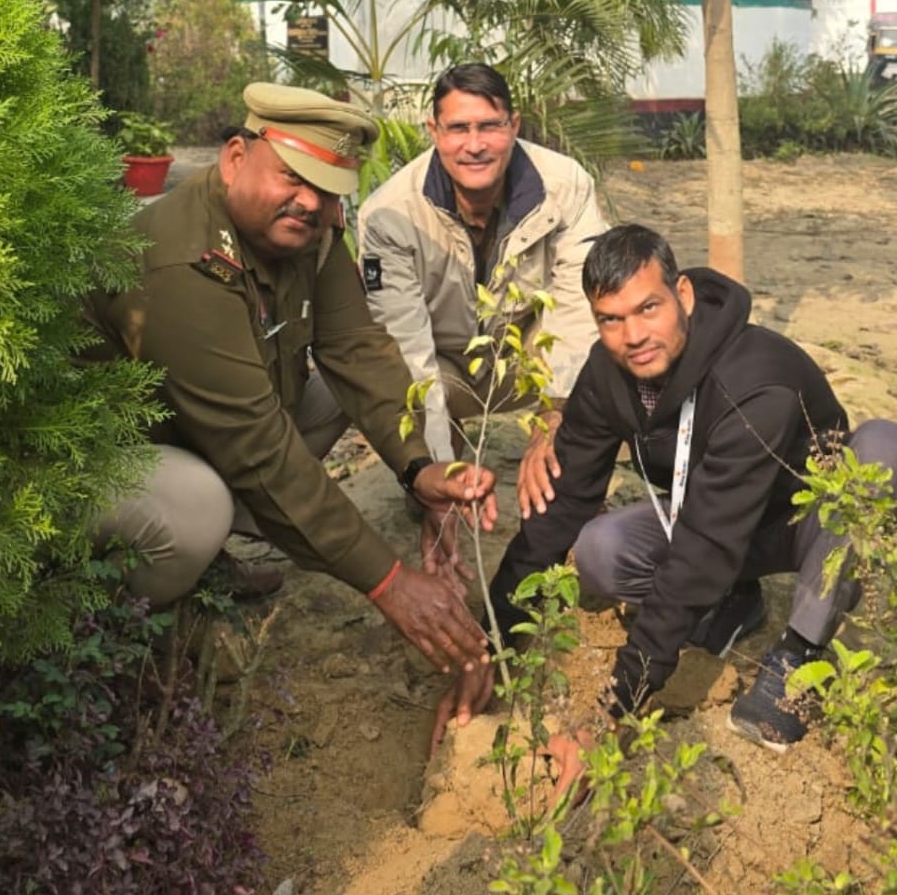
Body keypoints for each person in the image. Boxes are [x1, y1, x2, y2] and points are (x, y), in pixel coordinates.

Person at [432, 223, 897, 775]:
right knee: (599, 548)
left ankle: (799, 653)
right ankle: (735, 600)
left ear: (683, 295)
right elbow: (562, 507)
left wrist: (616, 706)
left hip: (801, 526)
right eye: (612, 319)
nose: (633, 335)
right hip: (711, 520)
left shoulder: (754, 382)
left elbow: (703, 548)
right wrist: (490, 644)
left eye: (648, 308)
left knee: (880, 450)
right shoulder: (610, 374)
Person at [83, 82, 497, 676]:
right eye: (293, 178)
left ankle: (208, 562)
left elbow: (357, 350)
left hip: (194, 432)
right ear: (234, 158)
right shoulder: (180, 262)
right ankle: (128, 618)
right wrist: (389, 582)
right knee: (196, 510)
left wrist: (419, 469)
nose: (311, 202)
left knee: (335, 391)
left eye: (329, 190)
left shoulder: (308, 235)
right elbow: (258, 450)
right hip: (91, 469)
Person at [357, 63, 607, 483]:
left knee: (617, 331)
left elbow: (579, 310)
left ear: (513, 126)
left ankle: (579, 483)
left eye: (489, 126)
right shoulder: (389, 215)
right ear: (433, 132)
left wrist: (555, 418)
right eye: (457, 128)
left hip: (524, 357)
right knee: (383, 375)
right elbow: (409, 353)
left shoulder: (566, 186)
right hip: (446, 367)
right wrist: (438, 476)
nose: (474, 145)